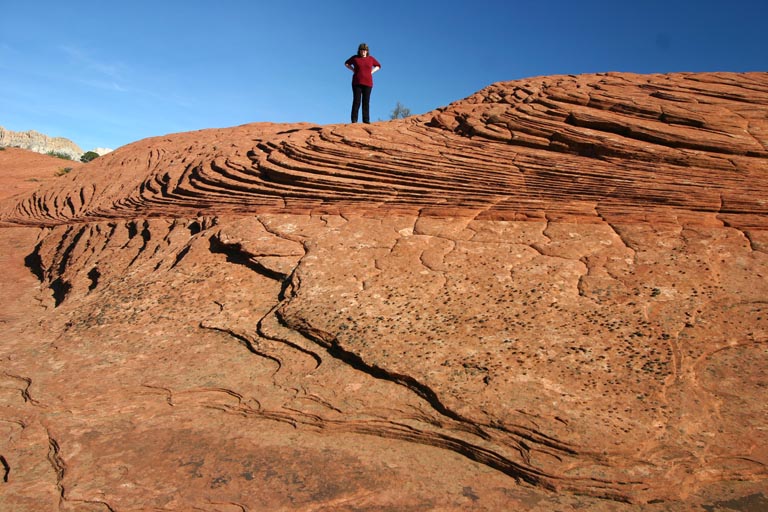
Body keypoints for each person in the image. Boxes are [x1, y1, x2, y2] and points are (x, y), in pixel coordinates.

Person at [344, 43, 381, 124]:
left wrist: (372, 72)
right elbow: (346, 63)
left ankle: (366, 120)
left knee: (366, 102)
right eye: (362, 50)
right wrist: (353, 70)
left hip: (368, 83)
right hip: (357, 82)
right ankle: (354, 120)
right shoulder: (355, 58)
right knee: (356, 101)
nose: (363, 51)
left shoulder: (371, 59)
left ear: (367, 51)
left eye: (365, 50)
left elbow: (378, 65)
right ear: (359, 51)